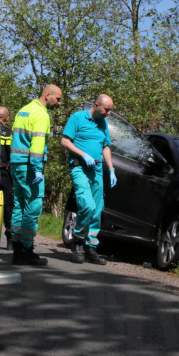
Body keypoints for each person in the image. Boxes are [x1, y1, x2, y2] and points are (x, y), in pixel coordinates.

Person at [9, 84, 63, 265]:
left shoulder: (24, 110)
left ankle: (16, 248)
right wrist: (37, 168)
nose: (59, 103)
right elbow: (37, 146)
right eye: (58, 99)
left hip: (16, 163)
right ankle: (26, 250)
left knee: (19, 205)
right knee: (32, 208)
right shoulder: (41, 115)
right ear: (48, 95)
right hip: (30, 166)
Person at [60, 94, 117, 265]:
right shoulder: (77, 118)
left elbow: (105, 146)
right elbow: (65, 141)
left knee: (97, 208)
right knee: (86, 205)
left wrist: (112, 169)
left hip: (97, 170)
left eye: (110, 110)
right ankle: (78, 241)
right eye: (106, 109)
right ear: (96, 105)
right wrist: (83, 154)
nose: (109, 113)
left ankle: (90, 246)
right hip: (79, 167)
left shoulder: (103, 123)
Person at [0, 106, 15, 248]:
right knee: (9, 206)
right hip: (5, 173)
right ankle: (10, 239)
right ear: (7, 118)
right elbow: (13, 154)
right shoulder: (9, 134)